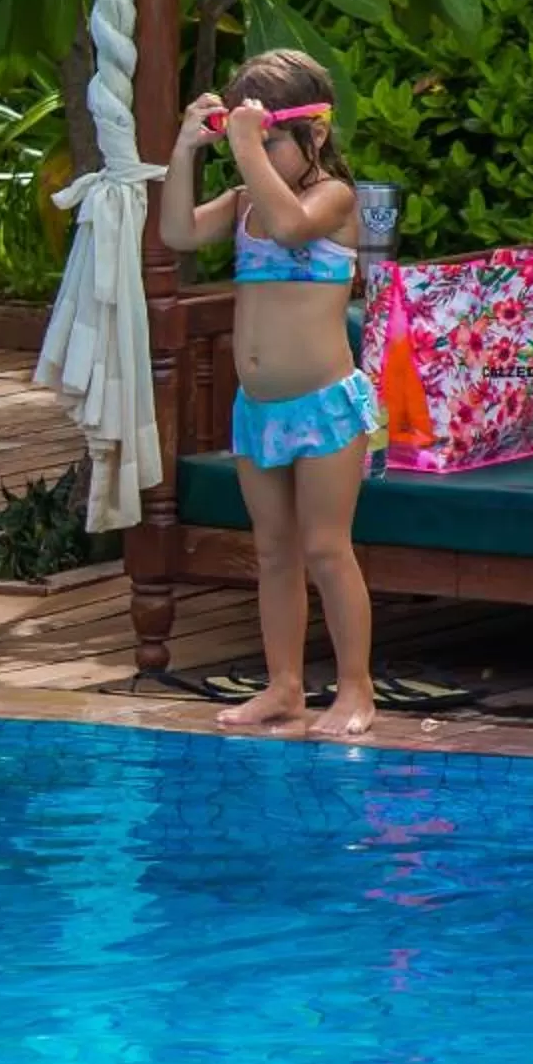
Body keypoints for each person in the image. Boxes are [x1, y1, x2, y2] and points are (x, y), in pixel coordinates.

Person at [157, 47, 379, 738]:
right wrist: (186, 150)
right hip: (259, 412)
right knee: (274, 552)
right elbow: (175, 232)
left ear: (314, 135)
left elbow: (291, 227)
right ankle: (283, 686)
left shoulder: (333, 198)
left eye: (271, 139)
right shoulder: (250, 198)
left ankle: (355, 690)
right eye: (246, 140)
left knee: (324, 548)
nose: (252, 153)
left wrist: (245, 145)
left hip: (323, 408)